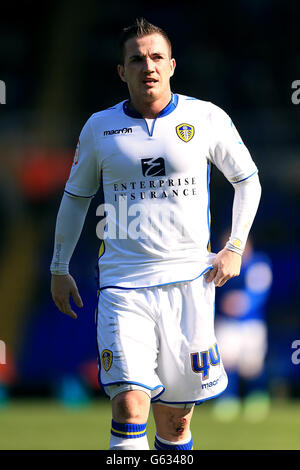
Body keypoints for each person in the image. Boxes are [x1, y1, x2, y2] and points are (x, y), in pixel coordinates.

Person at [50, 18, 261, 450]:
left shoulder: (205, 117)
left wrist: (234, 246)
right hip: (124, 287)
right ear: (121, 71)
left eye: (156, 57)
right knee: (129, 406)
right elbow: (75, 198)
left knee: (176, 425)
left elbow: (248, 181)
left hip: (191, 283)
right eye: (136, 59)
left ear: (172, 65)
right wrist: (58, 266)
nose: (147, 66)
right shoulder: (99, 128)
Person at [213, 235, 272, 422]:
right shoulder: (218, 261)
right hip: (227, 321)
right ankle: (227, 401)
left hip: (251, 322)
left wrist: (243, 302)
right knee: (226, 362)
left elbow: (260, 290)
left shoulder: (258, 263)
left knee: (252, 365)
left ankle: (257, 399)